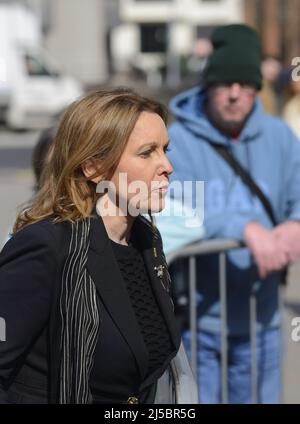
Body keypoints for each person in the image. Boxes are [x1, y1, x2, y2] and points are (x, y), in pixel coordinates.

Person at [0, 88, 190, 404]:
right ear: (93, 168)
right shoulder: (47, 246)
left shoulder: (145, 240)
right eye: (147, 152)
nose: (167, 165)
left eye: (165, 150)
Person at [167, 24, 300, 404]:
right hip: (196, 320)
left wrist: (295, 225)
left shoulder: (280, 137)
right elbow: (175, 205)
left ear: (257, 87)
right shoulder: (178, 141)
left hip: (264, 319)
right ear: (208, 85)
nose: (235, 94)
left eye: (244, 83)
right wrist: (245, 229)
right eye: (225, 83)